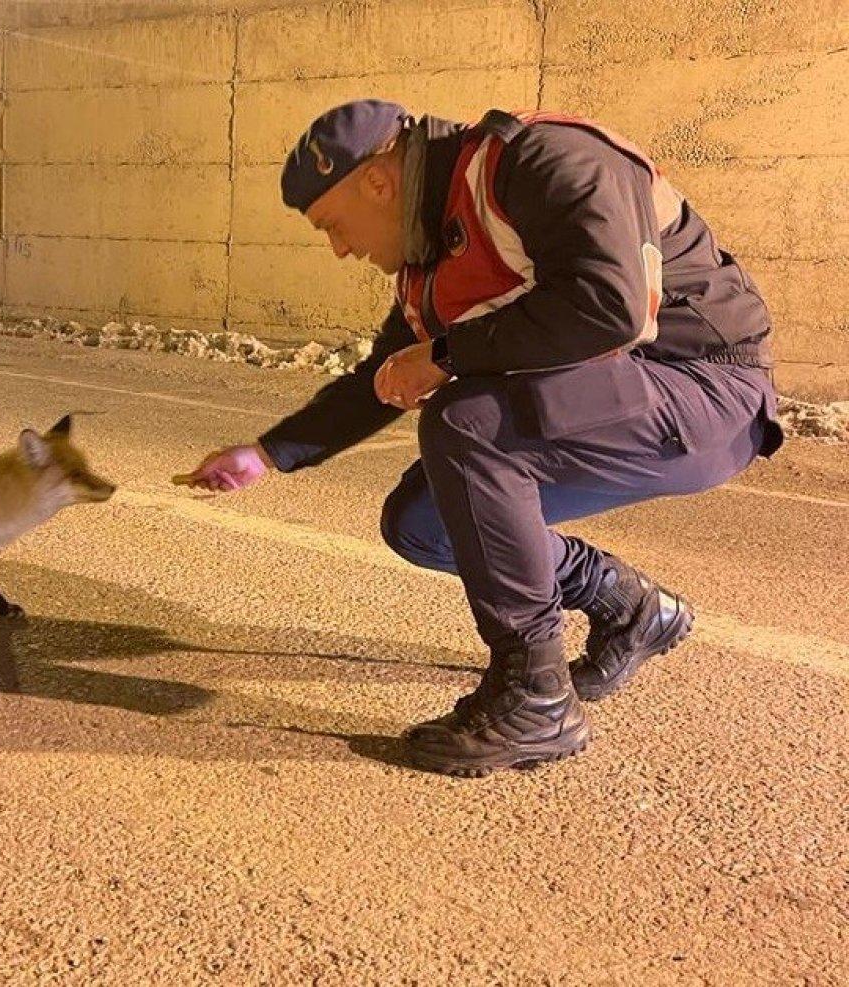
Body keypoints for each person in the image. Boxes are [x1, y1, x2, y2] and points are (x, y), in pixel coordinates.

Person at [175, 100, 782, 776]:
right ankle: (626, 603)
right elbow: (382, 378)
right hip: (627, 401)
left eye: (332, 226)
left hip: (708, 390)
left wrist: (447, 355)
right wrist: (264, 454)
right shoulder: (433, 260)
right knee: (424, 521)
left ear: (377, 181)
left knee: (468, 423)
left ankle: (536, 697)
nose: (341, 249)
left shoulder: (539, 160)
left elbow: (609, 303)